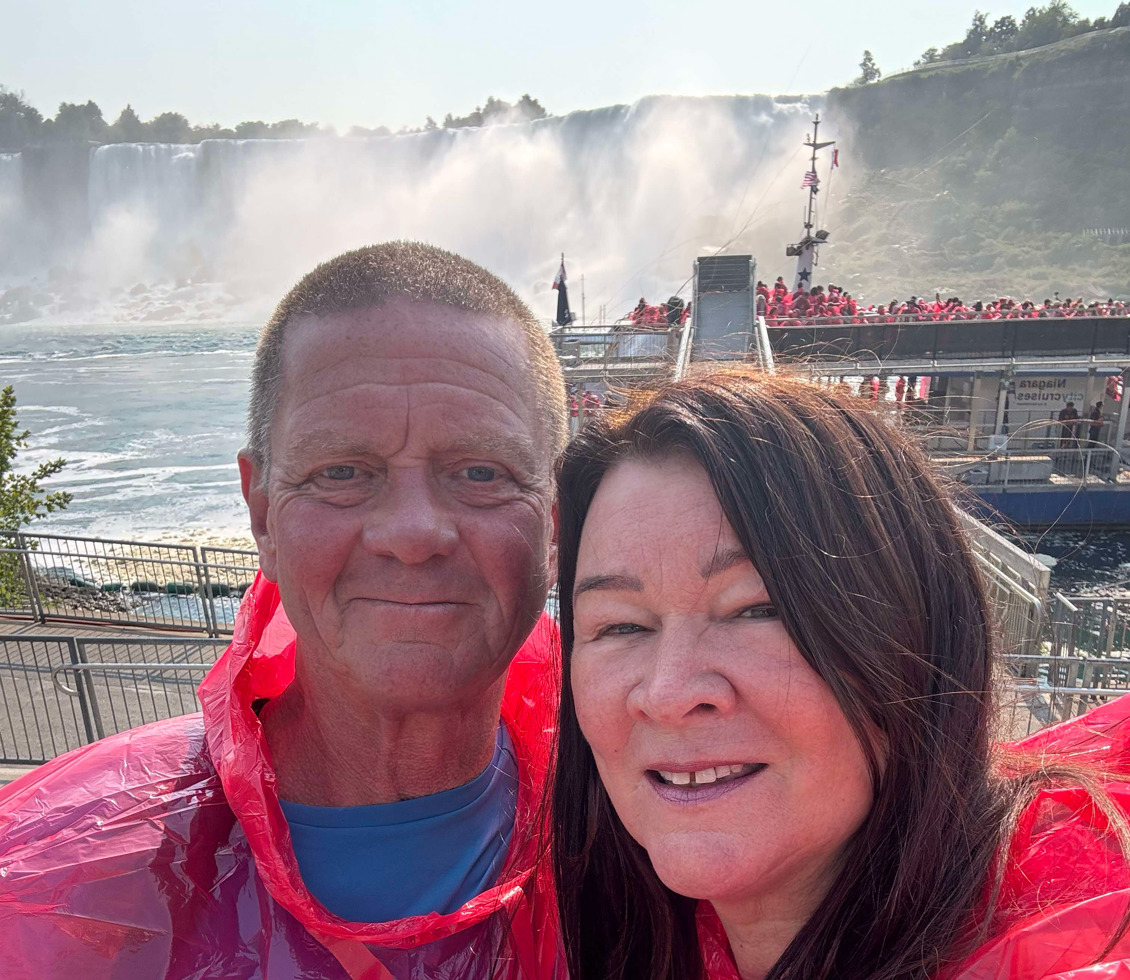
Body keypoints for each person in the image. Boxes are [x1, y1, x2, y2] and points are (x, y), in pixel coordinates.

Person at [0, 242, 569, 979]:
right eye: (341, 473)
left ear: (554, 521)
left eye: (480, 472)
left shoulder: (663, 841)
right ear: (261, 514)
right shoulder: (59, 872)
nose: (411, 534)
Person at [551, 370, 1130, 980]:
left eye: (758, 609)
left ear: (916, 635)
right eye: (620, 627)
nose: (667, 694)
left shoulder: (1076, 947)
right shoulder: (635, 934)